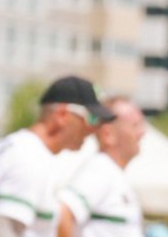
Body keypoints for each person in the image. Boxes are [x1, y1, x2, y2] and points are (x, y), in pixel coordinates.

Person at [0, 76, 116, 237]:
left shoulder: (10, 147)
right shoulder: (29, 159)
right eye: (91, 118)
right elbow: (3, 231)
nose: (94, 129)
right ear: (62, 114)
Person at [57, 97, 146, 237]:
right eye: (135, 125)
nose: (142, 132)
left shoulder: (112, 173)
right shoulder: (101, 171)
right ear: (108, 134)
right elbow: (62, 215)